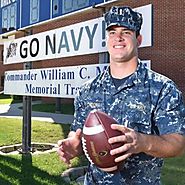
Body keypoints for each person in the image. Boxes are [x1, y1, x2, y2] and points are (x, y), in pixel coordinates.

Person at [57, 6, 185, 184]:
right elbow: (78, 132)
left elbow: (178, 144)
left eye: (126, 32)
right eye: (112, 32)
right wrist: (73, 144)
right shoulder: (87, 90)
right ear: (106, 39)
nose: (118, 37)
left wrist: (143, 142)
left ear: (138, 39)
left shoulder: (162, 88)